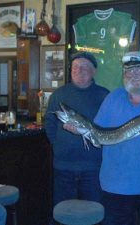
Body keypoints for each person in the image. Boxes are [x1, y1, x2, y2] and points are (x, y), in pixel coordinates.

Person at [64, 51, 140, 225]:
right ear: (123, 73)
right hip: (115, 188)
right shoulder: (112, 98)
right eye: (129, 70)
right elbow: (98, 138)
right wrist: (80, 131)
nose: (134, 75)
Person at [44, 52, 109, 210]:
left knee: (93, 214)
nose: (79, 70)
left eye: (84, 67)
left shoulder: (105, 96)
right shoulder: (58, 95)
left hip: (93, 168)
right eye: (75, 67)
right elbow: (50, 123)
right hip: (63, 167)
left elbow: (108, 128)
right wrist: (58, 145)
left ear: (94, 71)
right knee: (64, 213)